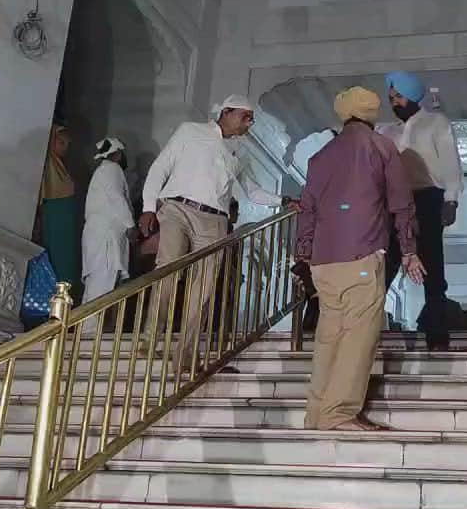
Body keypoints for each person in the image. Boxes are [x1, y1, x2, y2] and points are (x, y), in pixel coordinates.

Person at [296, 86, 425, 431]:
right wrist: (409, 250)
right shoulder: (381, 147)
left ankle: (316, 414)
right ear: (371, 113)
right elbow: (401, 204)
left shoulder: (320, 156)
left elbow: (307, 208)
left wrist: (304, 252)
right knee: (358, 338)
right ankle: (338, 414)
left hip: (323, 261)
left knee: (329, 337)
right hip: (362, 254)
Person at [138, 94, 285, 367]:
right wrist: (148, 207)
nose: (249, 123)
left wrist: (283, 200)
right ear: (226, 112)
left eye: (251, 119)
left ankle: (185, 355)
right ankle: (149, 339)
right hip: (177, 210)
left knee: (204, 287)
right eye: (245, 116)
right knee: (168, 271)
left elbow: (252, 191)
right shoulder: (190, 131)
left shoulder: (240, 151)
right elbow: (160, 168)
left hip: (215, 220)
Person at [383, 70, 463, 352]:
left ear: (413, 95)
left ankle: (437, 336)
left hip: (429, 198)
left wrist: (451, 199)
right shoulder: (387, 131)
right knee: (387, 262)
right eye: (391, 97)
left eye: (399, 96)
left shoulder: (436, 122)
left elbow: (450, 161)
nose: (394, 102)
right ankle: (367, 329)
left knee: (432, 265)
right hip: (395, 203)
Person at [81, 137, 135, 303]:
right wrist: (131, 225)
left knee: (95, 289)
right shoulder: (112, 169)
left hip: (99, 237)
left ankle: (86, 321)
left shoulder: (103, 171)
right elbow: (117, 198)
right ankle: (90, 322)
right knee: (101, 290)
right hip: (106, 240)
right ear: (117, 154)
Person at [37, 124, 81, 290]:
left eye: (67, 144)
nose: (65, 148)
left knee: (66, 257)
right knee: (55, 258)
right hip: (54, 218)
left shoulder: (60, 167)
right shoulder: (47, 164)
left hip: (65, 221)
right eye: (61, 142)